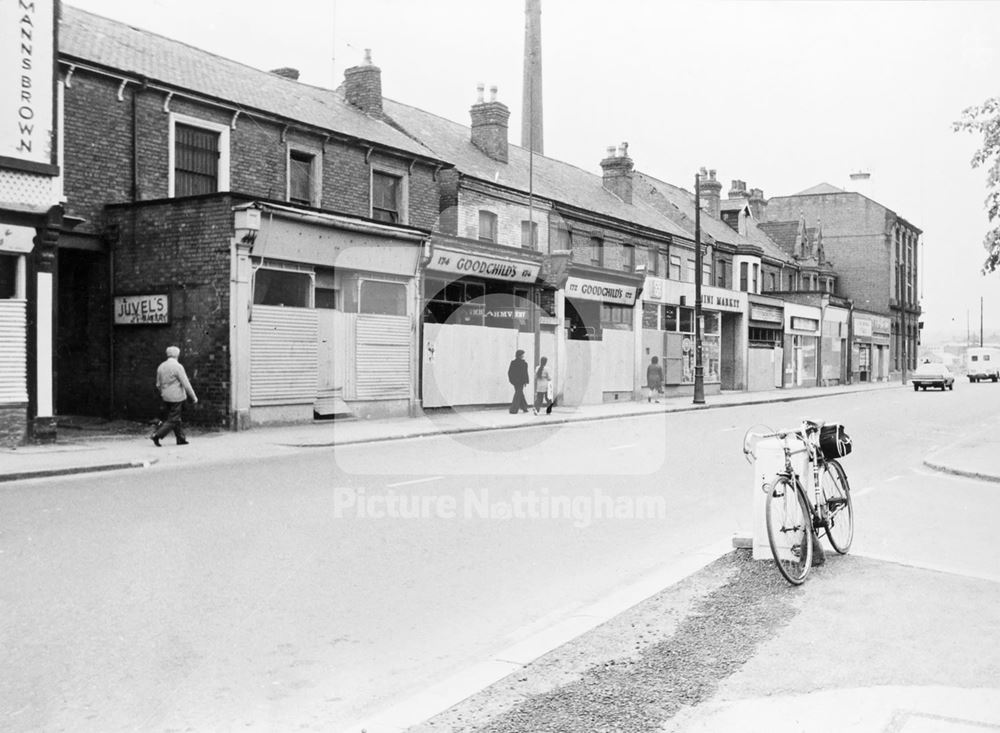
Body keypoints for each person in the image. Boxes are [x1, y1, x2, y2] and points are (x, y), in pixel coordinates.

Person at [151, 345, 198, 446]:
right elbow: (186, 384)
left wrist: (163, 393)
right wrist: (193, 397)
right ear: (177, 354)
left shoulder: (161, 366)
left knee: (175, 417)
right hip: (177, 397)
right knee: (174, 419)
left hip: (165, 397)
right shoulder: (178, 367)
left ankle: (180, 438)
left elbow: (158, 384)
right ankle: (157, 435)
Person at [507, 349, 530, 414]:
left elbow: (510, 372)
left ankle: (524, 407)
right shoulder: (524, 363)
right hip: (520, 382)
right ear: (519, 355)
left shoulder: (513, 362)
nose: (523, 356)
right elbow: (525, 373)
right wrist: (526, 381)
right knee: (518, 394)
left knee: (519, 393)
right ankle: (513, 409)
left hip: (515, 381)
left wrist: (512, 380)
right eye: (522, 354)